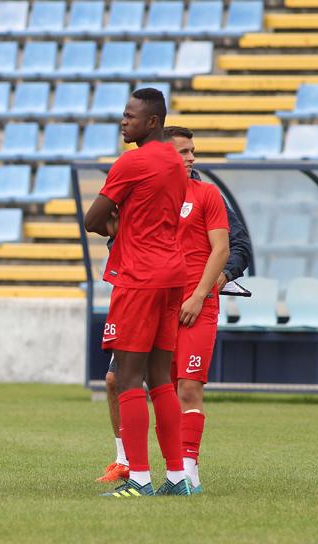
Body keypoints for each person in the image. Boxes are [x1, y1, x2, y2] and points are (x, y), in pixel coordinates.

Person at [96, 127, 252, 487]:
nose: (190, 158)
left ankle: (182, 471)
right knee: (117, 380)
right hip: (148, 297)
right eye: (182, 152)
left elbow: (233, 245)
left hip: (193, 302)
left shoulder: (207, 195)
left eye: (191, 151)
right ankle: (127, 461)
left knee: (180, 386)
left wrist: (215, 282)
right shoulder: (145, 192)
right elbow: (119, 239)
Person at [84, 88, 190, 498]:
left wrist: (116, 221)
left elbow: (93, 219)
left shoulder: (132, 161)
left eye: (130, 116)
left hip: (138, 277)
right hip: (171, 273)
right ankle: (178, 476)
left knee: (128, 379)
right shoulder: (172, 161)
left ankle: (140, 478)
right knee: (162, 378)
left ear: (152, 122)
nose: (123, 121)